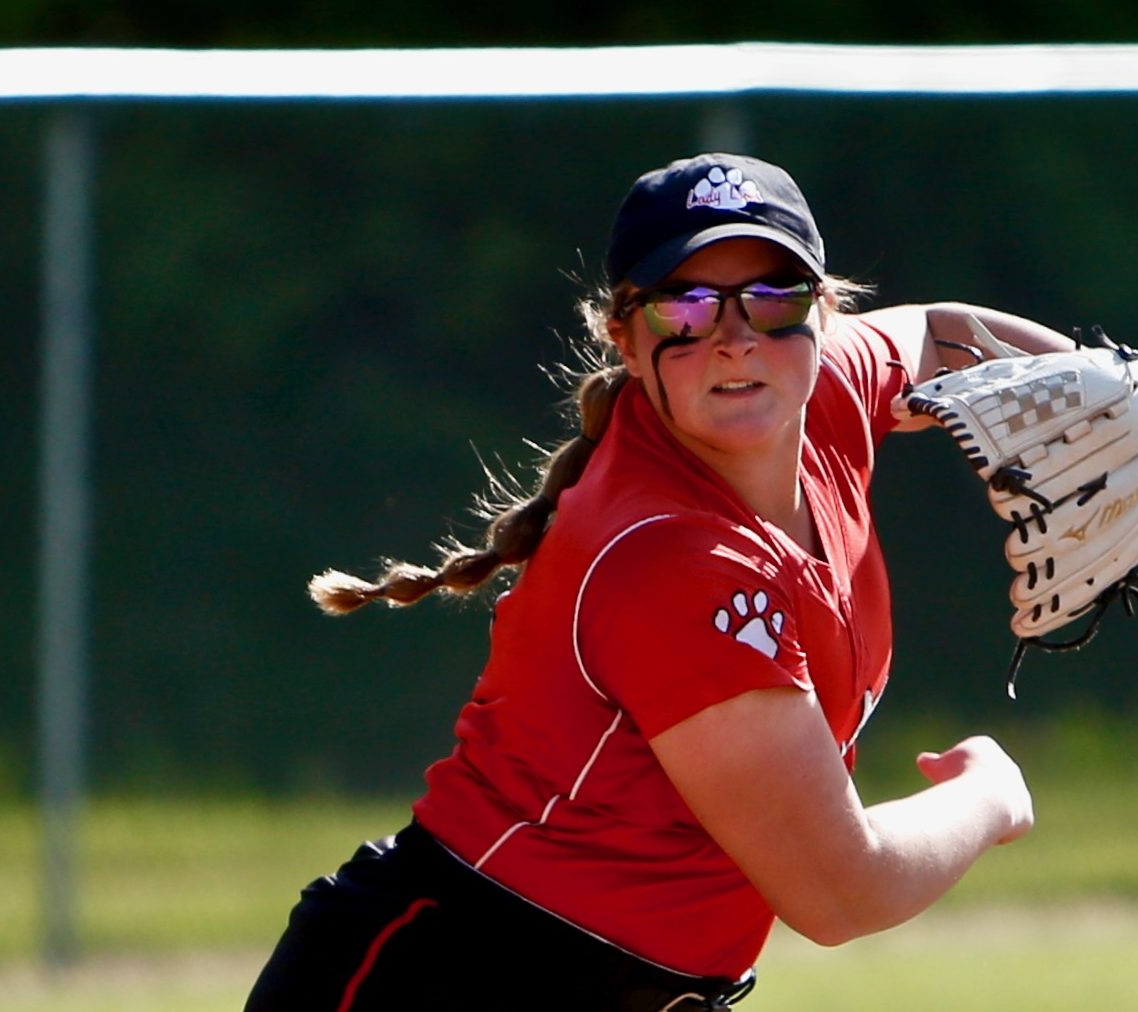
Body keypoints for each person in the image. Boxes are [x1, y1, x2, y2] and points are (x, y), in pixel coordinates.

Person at [246, 153, 1064, 1011]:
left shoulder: (817, 393)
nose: (735, 335)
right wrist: (989, 796)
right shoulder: (670, 559)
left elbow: (935, 337)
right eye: (686, 302)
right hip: (451, 979)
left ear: (825, 311)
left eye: (774, 295)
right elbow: (839, 890)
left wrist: (1117, 387)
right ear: (626, 338)